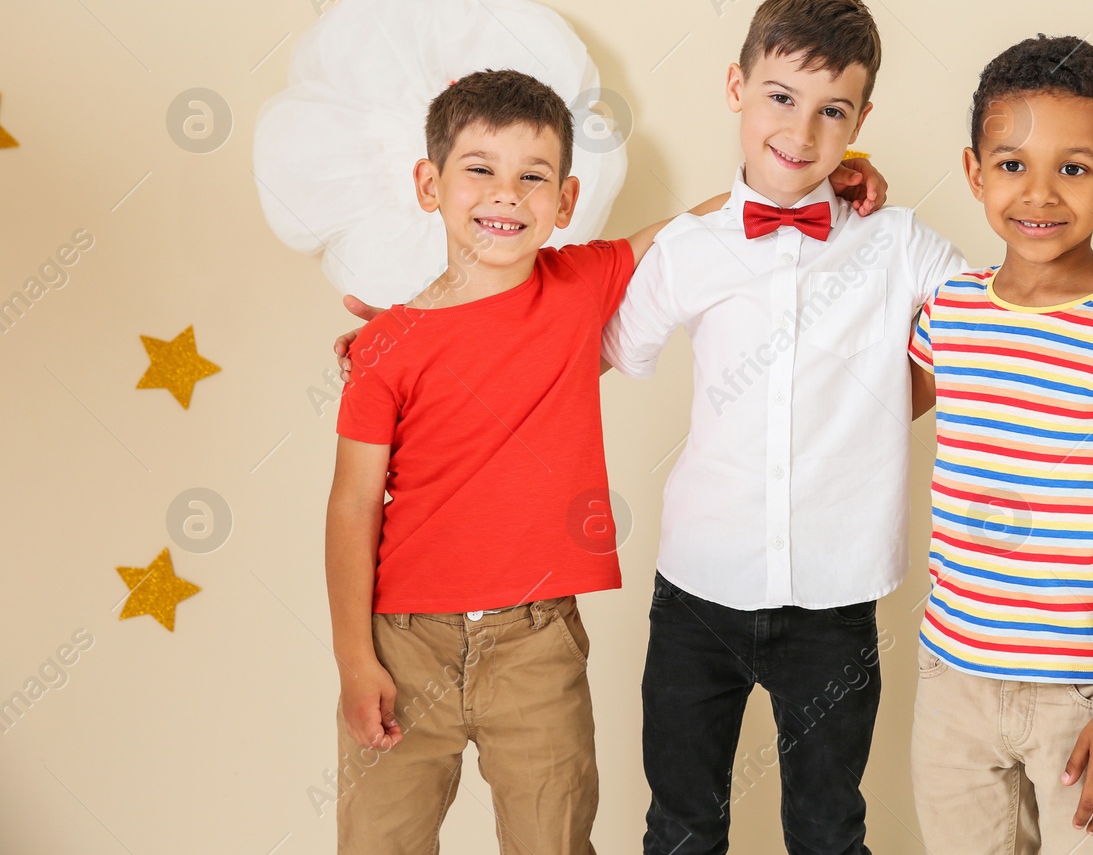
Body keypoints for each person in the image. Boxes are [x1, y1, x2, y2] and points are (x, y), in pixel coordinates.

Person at [601, 0, 1093, 854]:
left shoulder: (912, 254)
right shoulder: (708, 254)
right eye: (780, 99)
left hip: (886, 615)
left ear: (861, 120)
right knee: (683, 825)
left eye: (832, 113)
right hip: (725, 597)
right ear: (736, 87)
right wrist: (424, 326)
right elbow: (589, 341)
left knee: (827, 826)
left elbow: (1010, 344)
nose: (803, 133)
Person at [324, 68, 882, 854]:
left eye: (533, 177)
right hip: (402, 642)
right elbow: (351, 504)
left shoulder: (582, 282)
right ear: (430, 183)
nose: (506, 195)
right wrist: (355, 659)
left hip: (534, 642)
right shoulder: (386, 344)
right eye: (479, 169)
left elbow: (715, 219)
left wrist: (817, 178)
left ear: (566, 199)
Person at [907, 35, 1093, 854]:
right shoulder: (950, 310)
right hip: (953, 680)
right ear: (973, 172)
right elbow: (863, 419)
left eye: (1073, 167)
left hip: (1086, 691)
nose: (1039, 193)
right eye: (1011, 165)